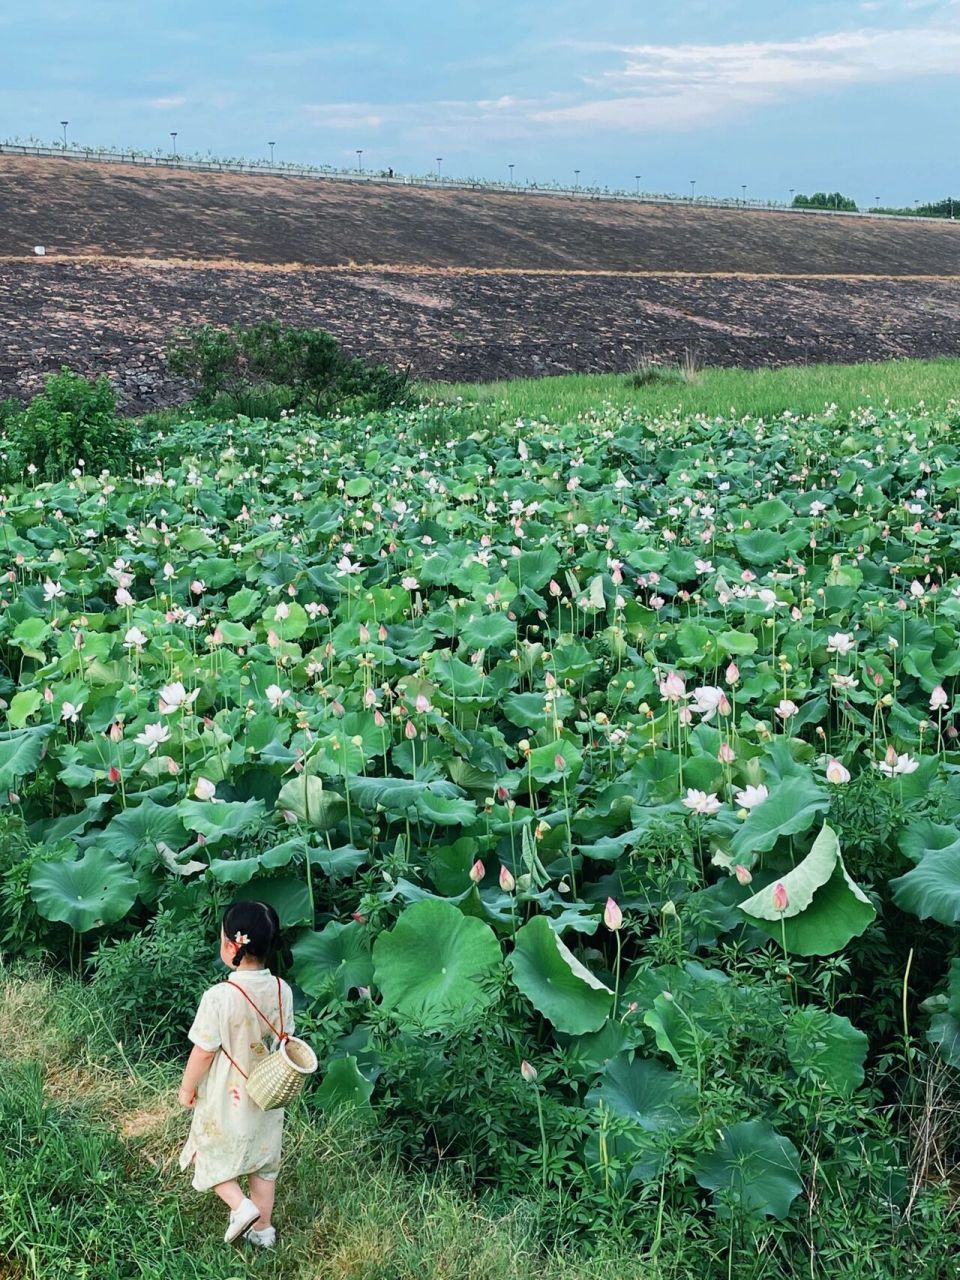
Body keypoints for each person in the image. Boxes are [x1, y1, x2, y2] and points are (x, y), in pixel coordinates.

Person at [178, 900, 294, 1249]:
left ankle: (240, 1206)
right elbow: (284, 1037)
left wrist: (187, 1088)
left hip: (228, 1093)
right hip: (267, 1093)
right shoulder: (281, 990)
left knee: (208, 1151)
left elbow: (203, 1050)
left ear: (231, 946)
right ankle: (264, 1231)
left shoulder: (219, 997)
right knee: (263, 1165)